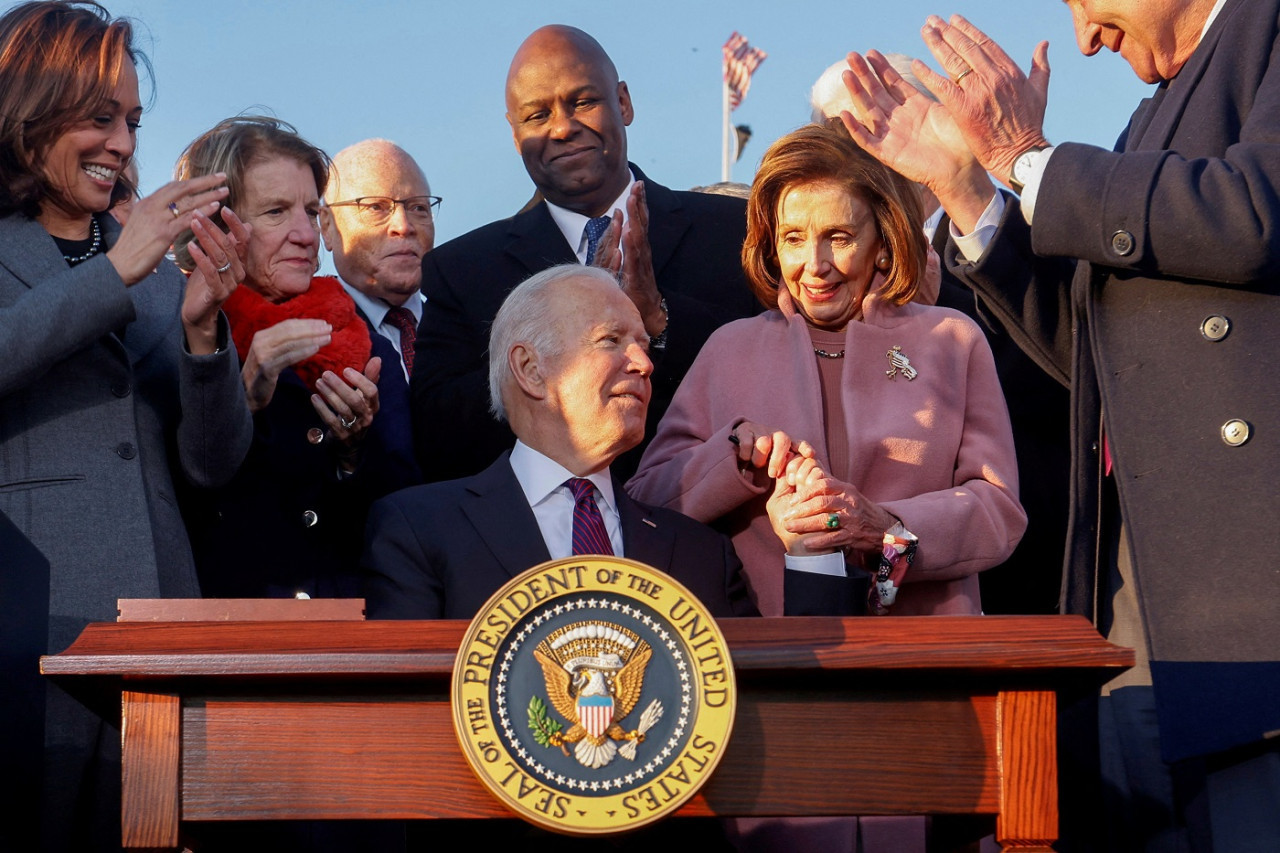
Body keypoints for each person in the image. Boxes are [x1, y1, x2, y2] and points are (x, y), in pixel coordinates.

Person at [841, 5, 1280, 850]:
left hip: (1251, 597)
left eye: (1087, 2)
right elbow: (1100, 348)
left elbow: (1257, 213)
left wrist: (1029, 160)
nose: (1085, 37)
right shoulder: (1152, 111)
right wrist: (969, 188)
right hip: (1138, 600)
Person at [0, 2, 252, 847]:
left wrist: (204, 333)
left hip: (160, 633)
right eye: (99, 118)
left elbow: (211, 466)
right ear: (27, 110)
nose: (122, 143)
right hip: (27, 636)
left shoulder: (149, 268)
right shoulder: (124, 258)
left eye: (132, 123)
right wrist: (113, 269)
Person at [412, 25, 760, 483]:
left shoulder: (734, 229)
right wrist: (563, 342)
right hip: (541, 549)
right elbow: (439, 440)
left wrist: (659, 317)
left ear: (624, 103)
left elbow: (774, 369)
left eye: (582, 102)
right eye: (537, 116)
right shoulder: (462, 270)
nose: (562, 128)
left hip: (710, 533)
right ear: (514, 134)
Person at [812, 56, 1071, 616]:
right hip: (830, 619)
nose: (863, 146)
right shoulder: (800, 280)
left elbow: (1061, 378)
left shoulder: (1034, 246)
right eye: (839, 131)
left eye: (884, 118)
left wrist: (927, 329)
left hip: (1018, 597)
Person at [365, 263, 755, 622]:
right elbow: (409, 691)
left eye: (644, 345)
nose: (643, 363)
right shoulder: (421, 530)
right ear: (531, 370)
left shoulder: (702, 553)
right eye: (611, 339)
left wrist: (810, 553)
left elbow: (773, 688)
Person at [174, 116, 417, 600]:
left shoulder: (360, 336)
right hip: (224, 638)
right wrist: (241, 399)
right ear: (217, 224)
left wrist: (352, 455)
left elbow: (407, 509)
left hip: (350, 637)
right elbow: (177, 503)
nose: (307, 235)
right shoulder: (172, 334)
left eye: (310, 210)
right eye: (276, 212)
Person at [320, 138, 435, 383]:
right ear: (327, 226)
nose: (403, 226)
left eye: (418, 208)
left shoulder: (467, 327)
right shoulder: (307, 334)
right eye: (376, 207)